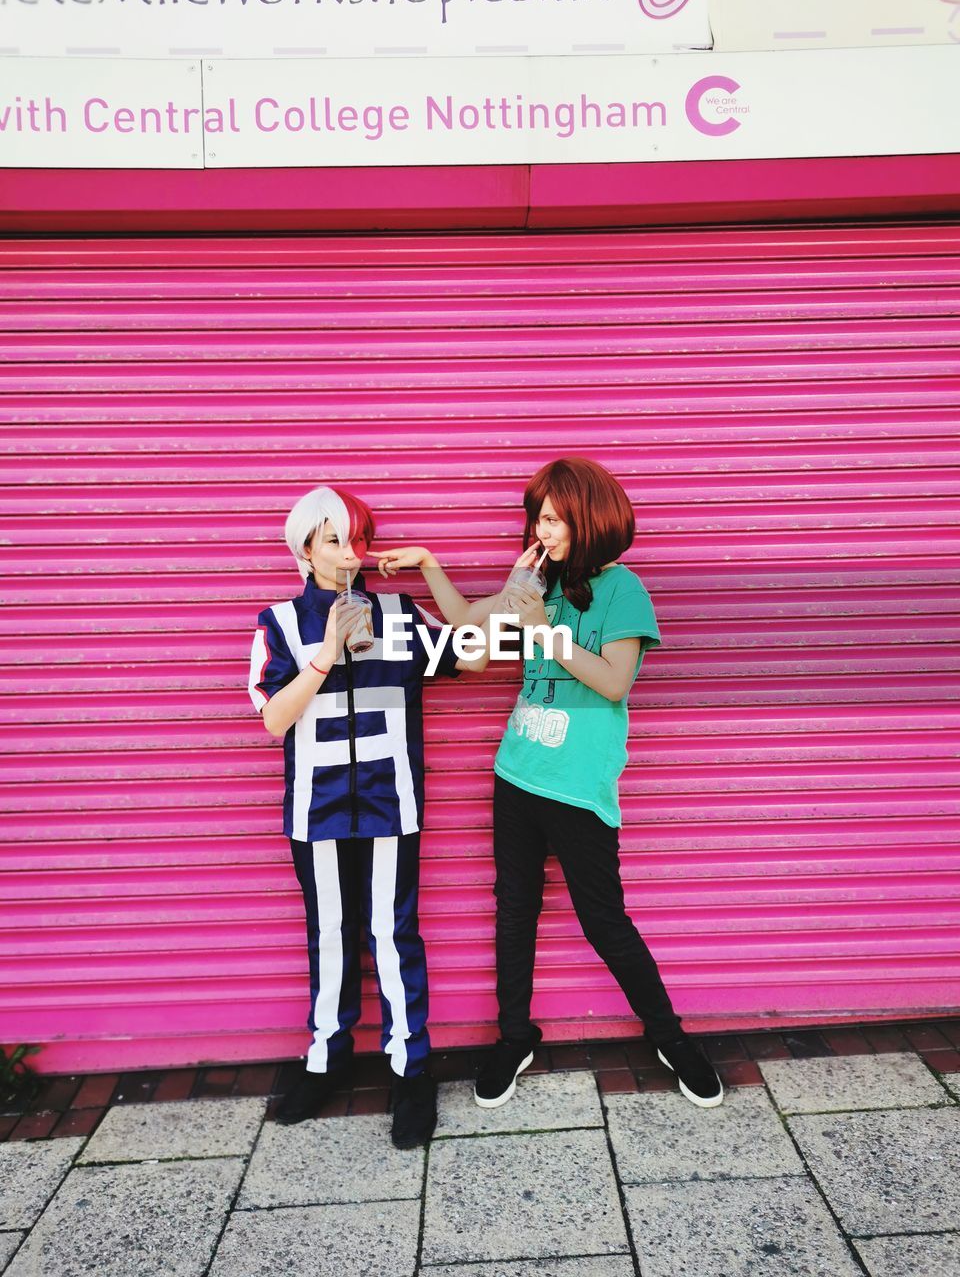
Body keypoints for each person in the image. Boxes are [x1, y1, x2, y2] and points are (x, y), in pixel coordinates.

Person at [375, 457, 723, 1110]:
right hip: (516, 775)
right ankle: (514, 1037)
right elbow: (466, 624)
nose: (543, 528)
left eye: (555, 518)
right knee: (514, 911)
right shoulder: (542, 585)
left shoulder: (625, 592)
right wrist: (428, 563)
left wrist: (541, 627)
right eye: (538, 517)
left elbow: (615, 681)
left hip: (579, 788)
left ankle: (672, 1038)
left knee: (604, 921)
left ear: (588, 520)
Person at [248, 484, 491, 1148]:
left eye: (358, 539)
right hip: (316, 805)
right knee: (330, 933)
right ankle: (324, 1059)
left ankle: (411, 1070)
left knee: (390, 933)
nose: (351, 554)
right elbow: (274, 718)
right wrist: (326, 651)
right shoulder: (277, 622)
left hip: (391, 799)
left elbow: (472, 656)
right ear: (304, 547)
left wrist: (432, 566)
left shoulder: (397, 611)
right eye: (334, 540)